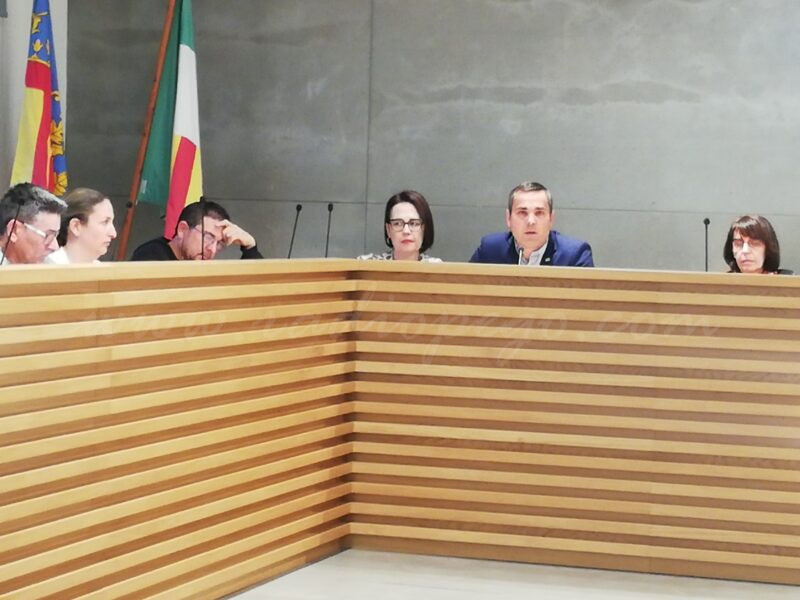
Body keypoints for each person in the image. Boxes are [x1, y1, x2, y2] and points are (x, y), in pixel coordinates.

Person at [469, 181, 593, 267]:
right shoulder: (490, 250)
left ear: (551, 219)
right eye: (522, 213)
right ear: (508, 218)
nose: (531, 221)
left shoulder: (575, 255)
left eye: (539, 213)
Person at [131, 200, 262, 261]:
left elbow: (255, 290)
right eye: (208, 237)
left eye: (219, 243)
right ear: (182, 230)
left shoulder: (198, 263)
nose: (212, 250)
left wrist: (250, 247)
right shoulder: (150, 257)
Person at [358, 190, 441, 262]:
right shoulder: (365, 265)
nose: (406, 231)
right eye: (397, 223)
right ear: (388, 229)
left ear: (425, 229)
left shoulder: (438, 269)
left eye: (414, 223)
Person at [0, 182, 66, 265]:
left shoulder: (52, 266)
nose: (55, 247)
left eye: (56, 236)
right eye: (48, 236)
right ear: (14, 230)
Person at [47, 187, 117, 264]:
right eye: (105, 222)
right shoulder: (47, 267)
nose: (114, 234)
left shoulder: (101, 269)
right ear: (76, 227)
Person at [723, 215, 792, 275]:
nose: (745, 251)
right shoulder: (723, 282)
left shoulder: (788, 281)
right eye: (738, 244)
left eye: (754, 243)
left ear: (768, 249)